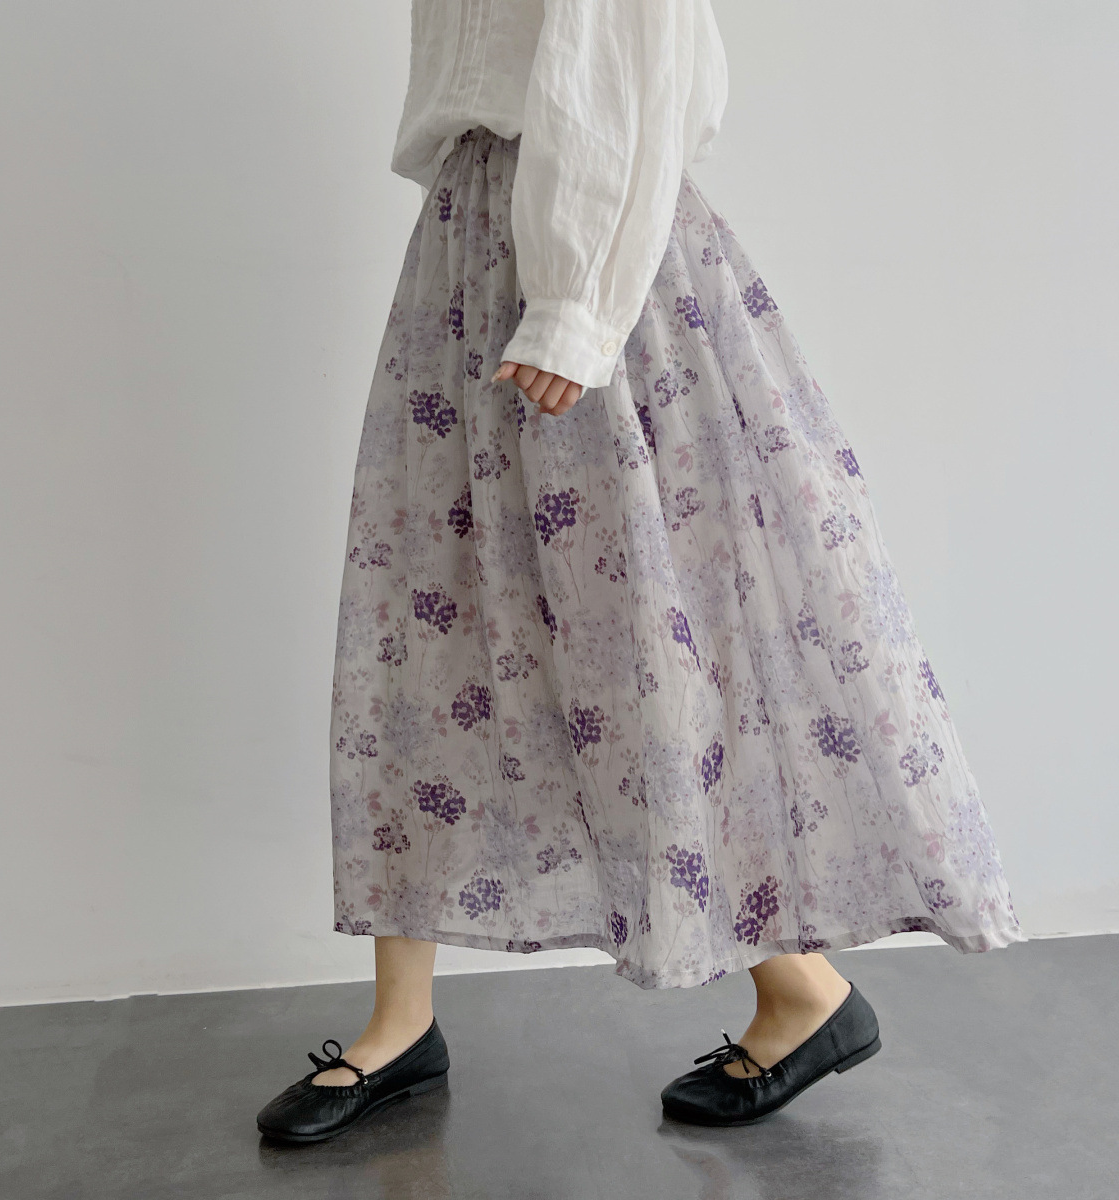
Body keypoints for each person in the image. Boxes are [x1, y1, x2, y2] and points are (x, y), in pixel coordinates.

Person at [256, 0, 1026, 1142]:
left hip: (586, 259)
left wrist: (575, 305)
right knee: (428, 624)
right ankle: (400, 1019)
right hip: (476, 238)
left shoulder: (580, 268)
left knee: (646, 640)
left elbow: (631, 56)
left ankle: (802, 989)